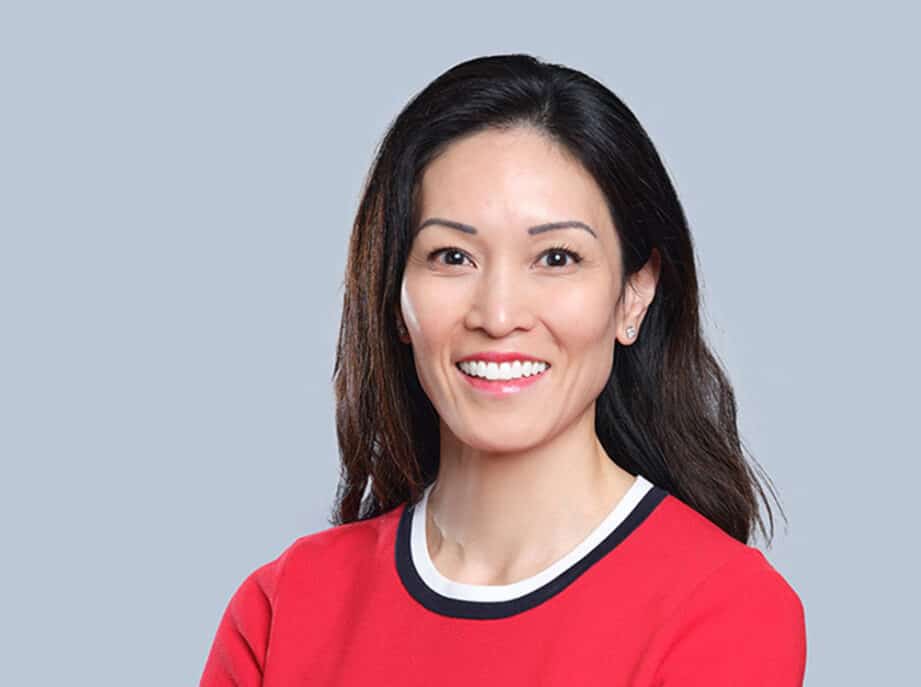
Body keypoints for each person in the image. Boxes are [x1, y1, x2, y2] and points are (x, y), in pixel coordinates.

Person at [200, 53, 806, 686]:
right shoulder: (284, 607)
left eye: (557, 257)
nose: (498, 313)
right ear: (395, 296)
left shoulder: (722, 610)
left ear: (635, 294)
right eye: (453, 256)